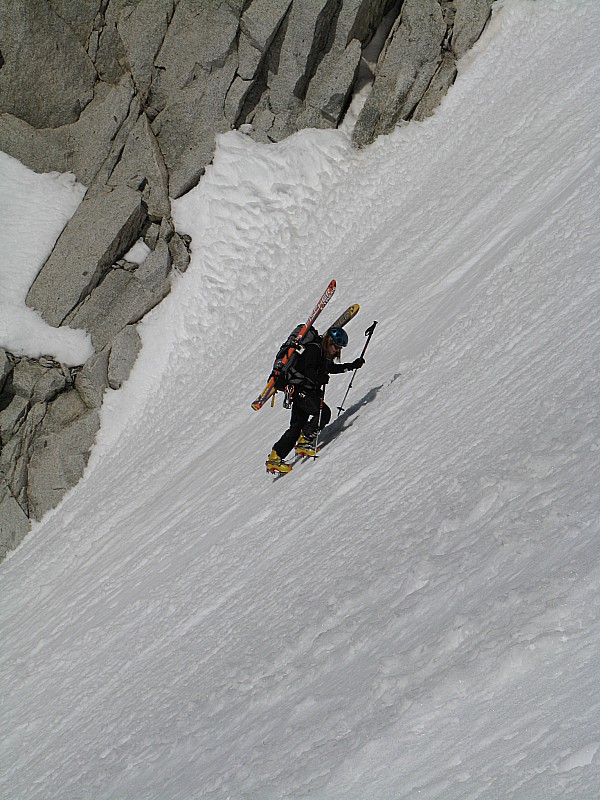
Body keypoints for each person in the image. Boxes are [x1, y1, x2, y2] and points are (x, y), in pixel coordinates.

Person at [266, 326, 364, 473]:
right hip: (300, 390)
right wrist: (320, 378)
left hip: (303, 390)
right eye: (336, 347)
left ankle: (275, 457)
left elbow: (330, 369)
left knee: (297, 426)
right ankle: (304, 441)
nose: (336, 351)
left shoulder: (323, 354)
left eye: (339, 348)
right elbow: (308, 370)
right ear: (329, 341)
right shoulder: (314, 349)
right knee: (323, 413)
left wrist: (351, 366)